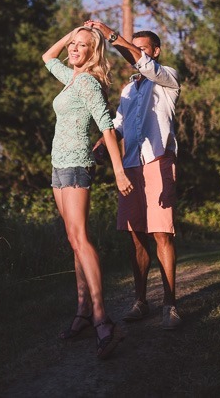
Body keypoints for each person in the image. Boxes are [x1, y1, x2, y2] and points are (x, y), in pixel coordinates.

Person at [85, 20, 182, 330]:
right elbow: (120, 125)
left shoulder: (167, 79)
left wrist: (114, 37)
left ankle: (170, 303)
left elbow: (144, 64)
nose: (137, 54)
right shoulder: (128, 89)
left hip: (157, 160)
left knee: (161, 233)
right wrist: (103, 141)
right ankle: (141, 300)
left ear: (155, 51)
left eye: (142, 49)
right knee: (135, 235)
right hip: (130, 166)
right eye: (134, 47)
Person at [42, 25, 131, 359]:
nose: (75, 49)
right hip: (58, 166)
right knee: (73, 242)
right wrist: (73, 33)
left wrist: (119, 170)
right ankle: (82, 312)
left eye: (83, 46)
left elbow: (107, 128)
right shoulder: (71, 79)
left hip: (78, 164)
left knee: (81, 239)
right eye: (73, 45)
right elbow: (47, 57)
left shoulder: (90, 83)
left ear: (94, 53)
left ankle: (101, 320)